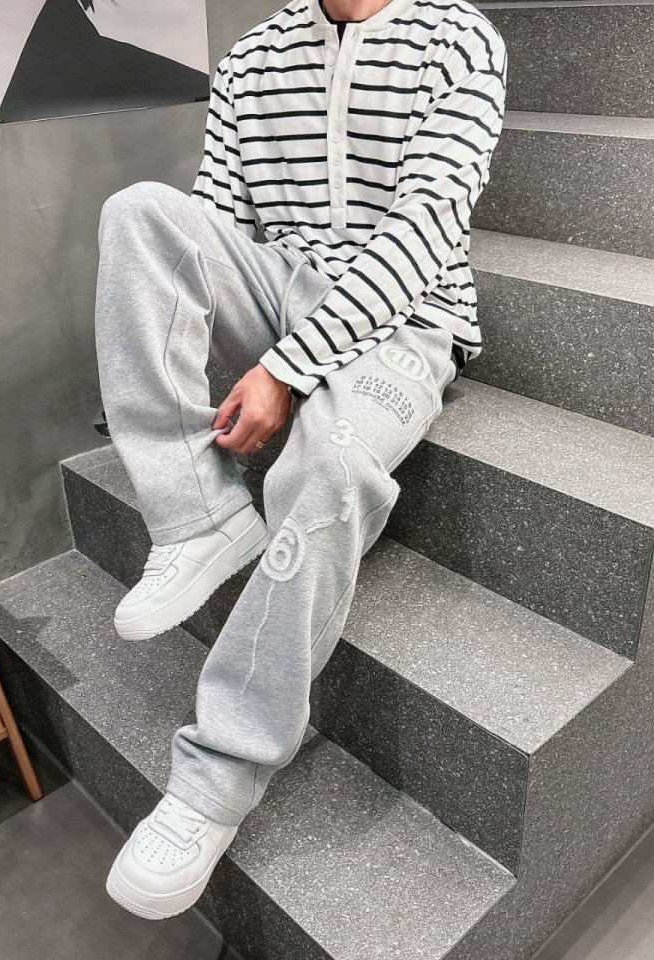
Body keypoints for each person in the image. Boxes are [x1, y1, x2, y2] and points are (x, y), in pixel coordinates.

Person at [97, 0, 506, 920]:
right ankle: (195, 513)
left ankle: (216, 778)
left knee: (327, 470)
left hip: (411, 319)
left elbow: (425, 232)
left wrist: (285, 370)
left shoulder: (457, 38)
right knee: (142, 215)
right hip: (281, 284)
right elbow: (212, 224)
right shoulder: (253, 55)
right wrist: (231, 345)